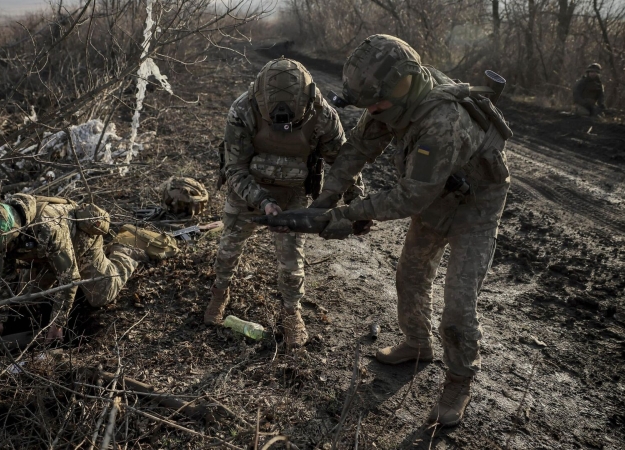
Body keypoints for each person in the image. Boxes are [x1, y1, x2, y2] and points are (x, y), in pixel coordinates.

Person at [310, 35, 512, 425]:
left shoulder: (441, 121)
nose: (373, 110)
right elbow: (358, 148)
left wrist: (347, 214)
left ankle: (459, 380)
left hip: (476, 207)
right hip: (438, 191)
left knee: (458, 302)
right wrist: (326, 198)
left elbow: (409, 198)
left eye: (376, 103)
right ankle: (417, 345)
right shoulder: (392, 97)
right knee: (412, 275)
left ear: (401, 85)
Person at [205, 57, 362, 349]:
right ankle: (219, 293)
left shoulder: (322, 114)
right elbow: (234, 168)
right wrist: (262, 200)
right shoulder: (243, 109)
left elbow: (343, 163)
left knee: (292, 264)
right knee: (227, 250)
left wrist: (358, 203)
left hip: (293, 193)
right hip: (247, 190)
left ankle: (292, 314)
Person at [0, 193, 146, 343]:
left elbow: (70, 278)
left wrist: (57, 323)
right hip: (45, 254)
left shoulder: (48, 227)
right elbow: (2, 277)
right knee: (27, 298)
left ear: (13, 234)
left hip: (81, 242)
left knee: (101, 295)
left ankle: (125, 250)